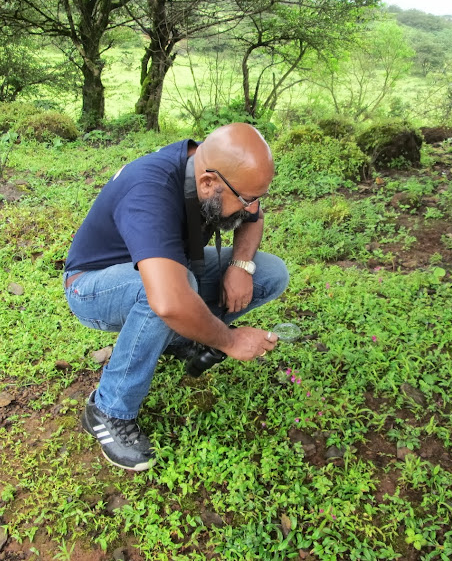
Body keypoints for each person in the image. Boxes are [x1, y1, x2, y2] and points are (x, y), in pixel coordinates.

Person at [63, 123, 289, 471]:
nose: (253, 206)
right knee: (165, 293)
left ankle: (176, 337)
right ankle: (108, 410)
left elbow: (254, 219)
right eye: (245, 198)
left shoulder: (214, 168)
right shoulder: (148, 191)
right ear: (208, 183)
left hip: (169, 268)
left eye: (258, 196)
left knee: (270, 273)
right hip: (93, 286)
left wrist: (241, 265)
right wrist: (229, 339)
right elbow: (168, 299)